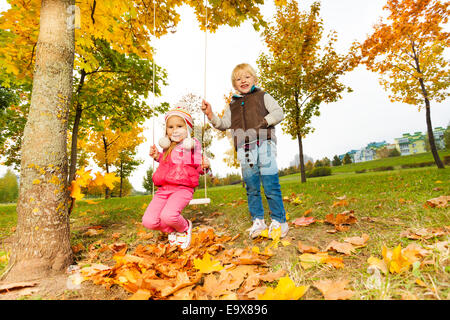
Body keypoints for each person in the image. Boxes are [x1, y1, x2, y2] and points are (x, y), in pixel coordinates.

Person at [201, 63, 288, 239]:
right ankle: (258, 221)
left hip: (264, 142)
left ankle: (279, 221)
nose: (243, 80)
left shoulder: (263, 96)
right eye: (238, 78)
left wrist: (265, 121)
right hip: (244, 147)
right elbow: (224, 124)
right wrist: (211, 115)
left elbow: (279, 112)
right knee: (252, 186)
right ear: (234, 84)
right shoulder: (232, 104)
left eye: (247, 77)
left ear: (254, 79)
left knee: (270, 183)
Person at [142, 107, 210, 249]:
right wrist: (157, 157)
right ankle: (172, 230)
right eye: (170, 127)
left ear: (188, 129)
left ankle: (184, 228)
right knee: (148, 221)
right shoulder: (167, 148)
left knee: (169, 215)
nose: (175, 130)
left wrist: (204, 166)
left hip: (183, 189)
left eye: (180, 126)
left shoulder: (191, 147)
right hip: (164, 189)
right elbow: (168, 163)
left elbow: (197, 166)